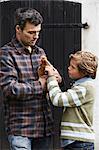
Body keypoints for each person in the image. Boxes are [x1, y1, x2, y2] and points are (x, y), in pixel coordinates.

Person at [0, 7, 61, 150]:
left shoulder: (40, 52)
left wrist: (56, 78)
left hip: (44, 126)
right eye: (31, 32)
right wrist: (40, 84)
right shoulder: (6, 53)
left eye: (38, 32)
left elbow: (54, 78)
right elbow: (10, 89)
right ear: (18, 29)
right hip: (21, 128)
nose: (36, 36)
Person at [45, 51, 98, 150]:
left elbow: (57, 99)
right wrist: (59, 81)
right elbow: (68, 96)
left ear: (83, 72)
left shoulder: (84, 88)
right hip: (75, 141)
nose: (69, 68)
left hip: (79, 143)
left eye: (73, 67)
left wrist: (51, 78)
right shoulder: (79, 86)